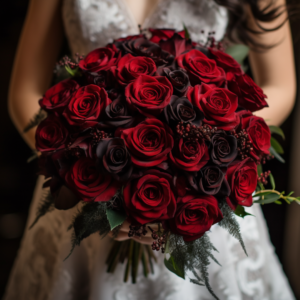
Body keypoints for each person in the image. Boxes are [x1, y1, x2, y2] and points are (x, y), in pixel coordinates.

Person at [3, 0, 297, 299]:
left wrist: (216, 151)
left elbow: (281, 85)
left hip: (201, 189)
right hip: (82, 183)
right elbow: (24, 91)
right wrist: (79, 169)